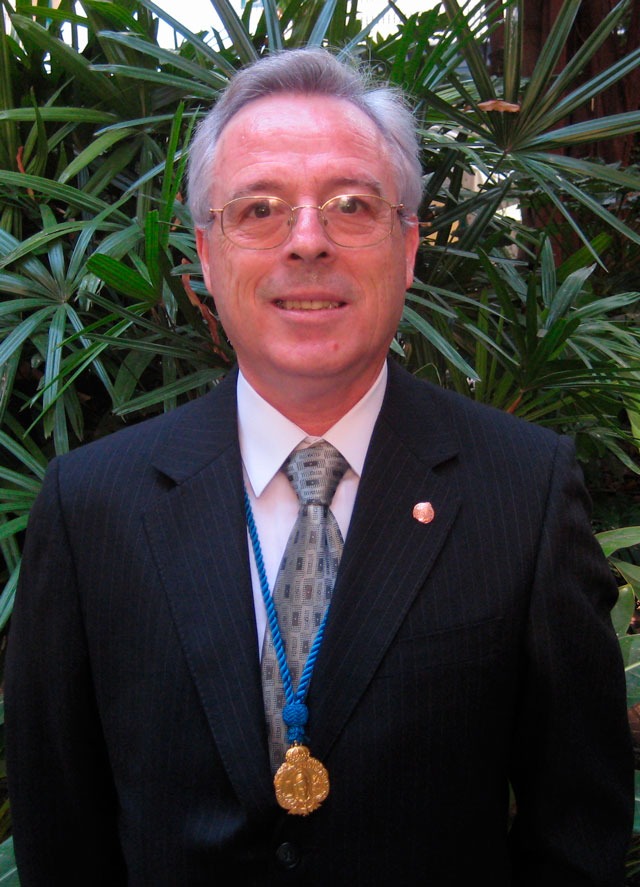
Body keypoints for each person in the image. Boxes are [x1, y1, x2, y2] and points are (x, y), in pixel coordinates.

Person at [4, 47, 634, 886]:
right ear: (206, 254)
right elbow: (60, 832)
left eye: (351, 205)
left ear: (408, 246)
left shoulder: (525, 491)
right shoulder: (92, 507)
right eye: (260, 209)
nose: (308, 241)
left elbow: (577, 828)